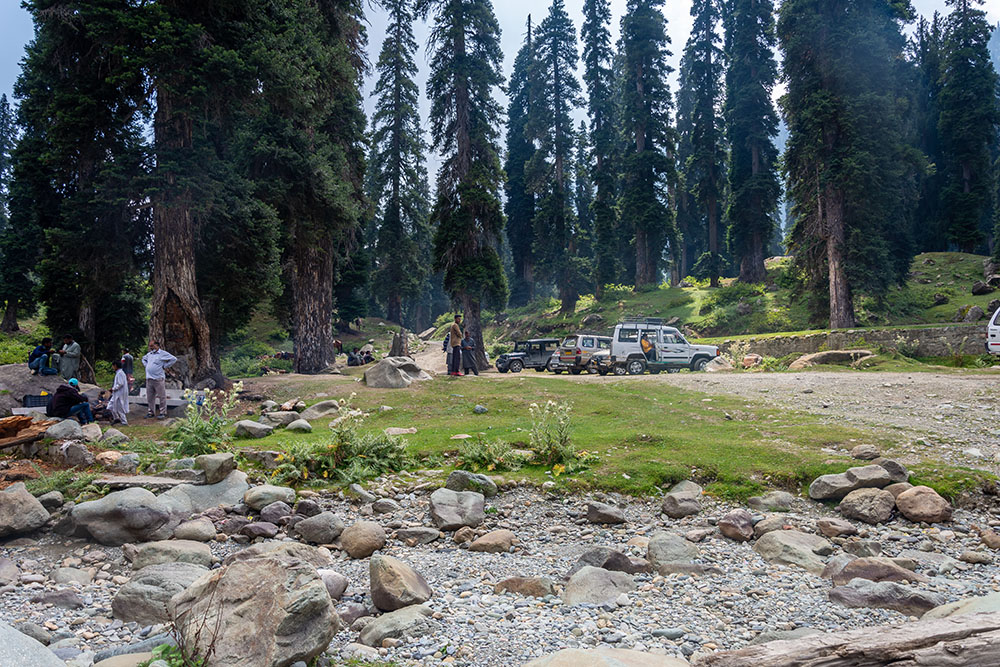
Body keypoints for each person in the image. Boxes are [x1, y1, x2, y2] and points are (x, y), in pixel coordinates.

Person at [142, 340, 177, 419]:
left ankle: (162, 412)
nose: (151, 348)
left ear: (157, 345)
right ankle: (151, 412)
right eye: (150, 346)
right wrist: (146, 365)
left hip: (158, 378)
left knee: (162, 396)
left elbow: (173, 359)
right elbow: (143, 359)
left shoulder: (162, 353)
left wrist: (165, 366)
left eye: (152, 346)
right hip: (149, 378)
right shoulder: (149, 354)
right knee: (150, 397)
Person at [108, 359, 129, 425]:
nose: (112, 367)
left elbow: (120, 383)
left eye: (113, 366)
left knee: (120, 408)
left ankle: (124, 422)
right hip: (116, 393)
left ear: (115, 366)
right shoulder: (118, 373)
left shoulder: (120, 373)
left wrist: (113, 389)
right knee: (110, 406)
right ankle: (116, 418)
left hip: (120, 393)